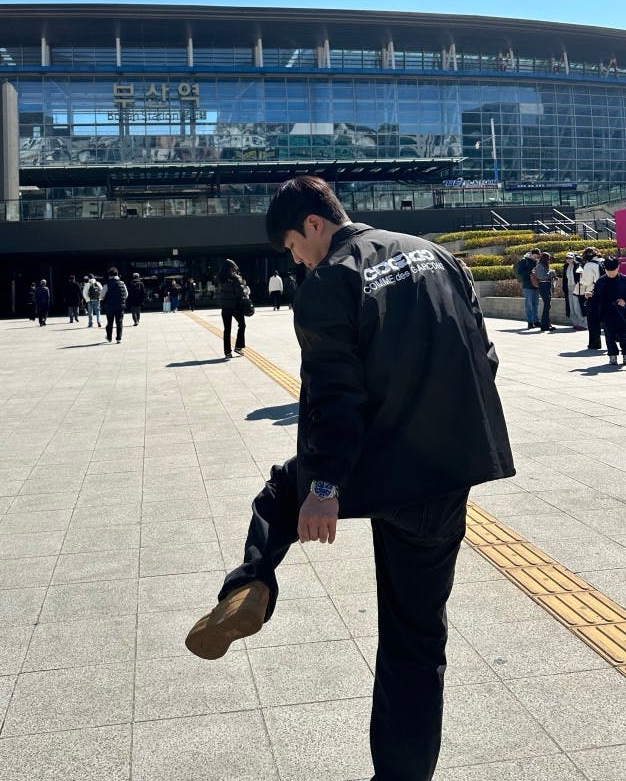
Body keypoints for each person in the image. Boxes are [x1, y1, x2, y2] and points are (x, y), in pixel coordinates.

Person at [185, 176, 514, 781]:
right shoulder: (437, 255)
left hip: (378, 464)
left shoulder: (329, 281)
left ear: (314, 224)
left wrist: (325, 487)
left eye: (290, 246)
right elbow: (483, 355)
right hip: (446, 475)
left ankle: (253, 579)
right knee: (415, 641)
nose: (294, 259)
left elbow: (334, 398)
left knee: (282, 494)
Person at [594, 256, 626, 366]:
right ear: (605, 269)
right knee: (609, 335)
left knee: (624, 334)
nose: (611, 273)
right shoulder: (601, 281)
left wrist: (625, 300)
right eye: (608, 271)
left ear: (618, 268)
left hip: (622, 313)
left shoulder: (625, 280)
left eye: (613, 270)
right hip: (606, 312)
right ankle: (612, 355)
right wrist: (591, 295)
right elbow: (597, 295)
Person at [218, 259, 248, 359]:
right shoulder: (235, 278)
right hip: (235, 306)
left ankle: (227, 352)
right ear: (232, 268)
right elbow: (240, 293)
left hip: (225, 307)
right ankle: (238, 347)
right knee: (242, 325)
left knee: (227, 329)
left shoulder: (221, 278)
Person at [578, 247, 604, 350]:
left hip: (593, 294)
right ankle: (617, 338)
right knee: (609, 318)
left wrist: (581, 276)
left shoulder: (589, 265)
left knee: (593, 320)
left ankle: (595, 343)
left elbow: (586, 282)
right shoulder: (604, 261)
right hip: (607, 294)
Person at [514, 247, 541, 328]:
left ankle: (536, 321)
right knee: (528, 304)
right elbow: (520, 272)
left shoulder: (537, 262)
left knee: (535, 304)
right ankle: (530, 322)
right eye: (535, 256)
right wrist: (530, 271)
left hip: (536, 285)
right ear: (531, 254)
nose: (536, 258)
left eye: (537, 256)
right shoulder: (524, 261)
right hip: (527, 286)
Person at [101, 267, 128, 343]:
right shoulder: (122, 283)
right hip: (120, 306)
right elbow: (126, 295)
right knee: (119, 321)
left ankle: (109, 337)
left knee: (110, 322)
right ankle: (118, 338)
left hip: (109, 306)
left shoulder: (106, 284)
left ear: (109, 275)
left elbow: (101, 296)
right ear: (117, 274)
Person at [533, 251, 557, 332]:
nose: (549, 260)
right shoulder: (539, 266)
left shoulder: (544, 265)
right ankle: (544, 325)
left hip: (547, 285)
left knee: (548, 305)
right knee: (547, 305)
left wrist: (552, 274)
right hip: (543, 286)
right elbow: (541, 276)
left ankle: (547, 324)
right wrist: (551, 272)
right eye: (548, 259)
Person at [564, 253, 586, 329]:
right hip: (568, 287)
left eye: (570, 258)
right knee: (571, 307)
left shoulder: (578, 265)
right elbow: (565, 278)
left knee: (577, 306)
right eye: (567, 258)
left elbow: (580, 276)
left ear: (573, 258)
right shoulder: (566, 266)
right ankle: (576, 323)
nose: (568, 259)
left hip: (576, 287)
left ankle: (583, 323)